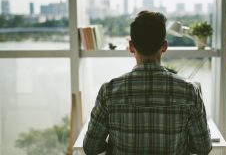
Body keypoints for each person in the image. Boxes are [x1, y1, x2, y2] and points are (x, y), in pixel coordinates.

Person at [83, 11, 212, 155]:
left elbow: (91, 147)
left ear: (131, 46)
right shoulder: (189, 91)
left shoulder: (109, 91)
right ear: (164, 46)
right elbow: (203, 148)